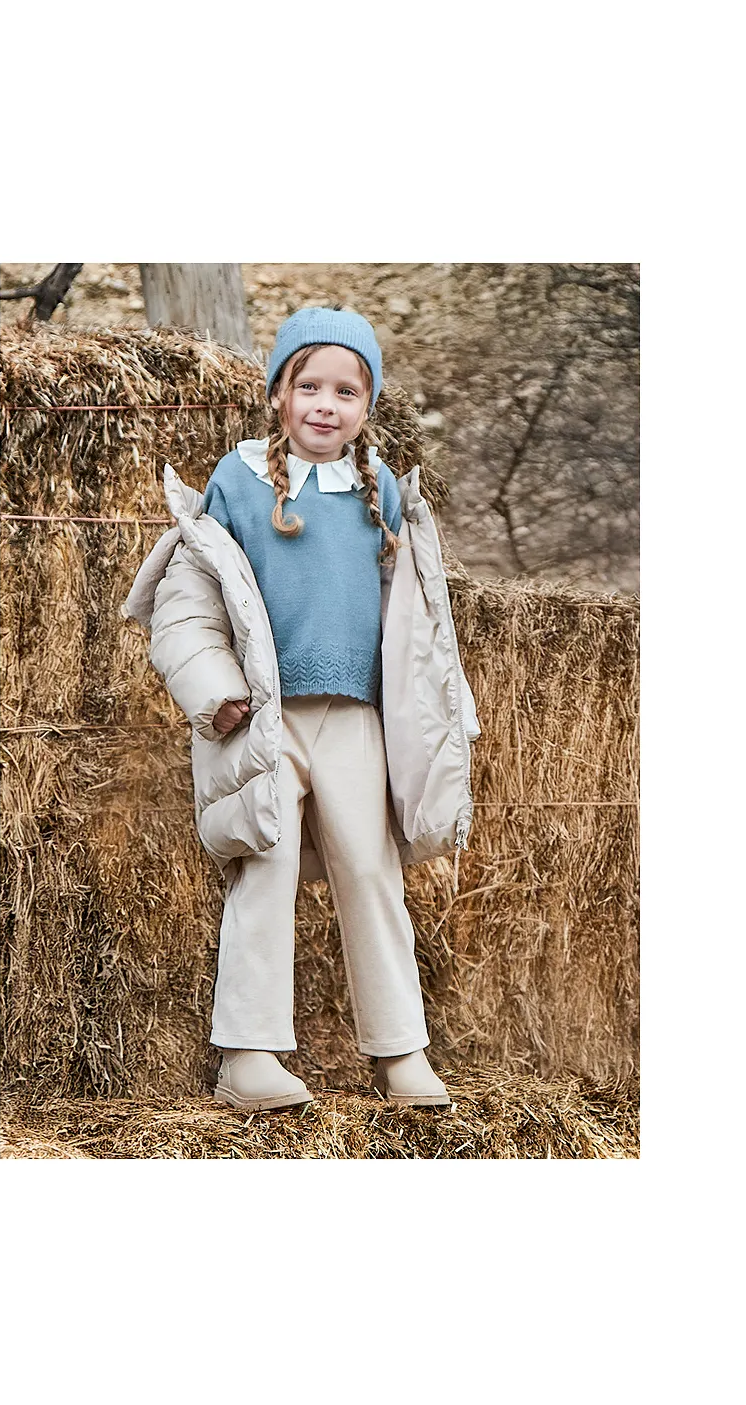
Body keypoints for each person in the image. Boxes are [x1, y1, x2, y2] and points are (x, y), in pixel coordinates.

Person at [123, 306, 480, 1113]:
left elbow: (417, 620)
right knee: (266, 865)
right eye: (309, 385)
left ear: (368, 405)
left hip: (355, 717)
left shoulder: (380, 492)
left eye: (346, 391)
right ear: (279, 393)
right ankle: (248, 1056)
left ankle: (401, 1053)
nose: (326, 404)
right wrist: (215, 690)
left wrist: (441, 710)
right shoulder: (239, 479)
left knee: (370, 871)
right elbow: (189, 596)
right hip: (263, 716)